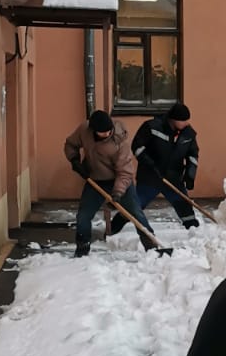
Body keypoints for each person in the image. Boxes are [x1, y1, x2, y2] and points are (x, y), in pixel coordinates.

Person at [63, 110, 158, 256]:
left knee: (136, 213)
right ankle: (82, 248)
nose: (107, 134)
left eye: (109, 131)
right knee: (83, 215)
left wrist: (118, 193)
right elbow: (71, 144)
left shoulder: (119, 142)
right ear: (93, 130)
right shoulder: (84, 130)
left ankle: (152, 246)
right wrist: (75, 160)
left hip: (120, 181)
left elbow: (125, 172)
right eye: (103, 132)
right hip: (95, 180)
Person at [110, 103, 200, 233]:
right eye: (183, 120)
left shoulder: (188, 134)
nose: (186, 123)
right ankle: (112, 230)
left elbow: (193, 155)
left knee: (184, 206)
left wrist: (190, 174)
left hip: (173, 178)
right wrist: (149, 164)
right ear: (173, 119)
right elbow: (137, 146)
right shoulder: (152, 127)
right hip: (150, 177)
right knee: (135, 206)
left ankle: (195, 233)